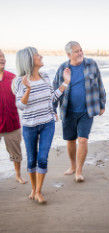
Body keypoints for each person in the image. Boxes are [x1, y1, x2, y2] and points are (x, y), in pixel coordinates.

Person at [13, 47, 70, 203]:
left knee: (43, 158)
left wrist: (65, 83)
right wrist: (28, 89)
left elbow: (52, 98)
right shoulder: (20, 81)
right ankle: (33, 188)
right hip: (29, 126)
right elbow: (21, 105)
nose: (41, 56)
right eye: (37, 55)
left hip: (47, 124)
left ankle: (38, 192)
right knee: (31, 159)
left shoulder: (45, 76)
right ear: (30, 60)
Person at [53, 41, 106, 182]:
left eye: (81, 50)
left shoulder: (91, 64)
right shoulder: (63, 68)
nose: (80, 53)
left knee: (82, 140)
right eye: (76, 51)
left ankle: (79, 171)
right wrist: (52, 109)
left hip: (87, 110)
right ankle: (72, 166)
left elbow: (100, 84)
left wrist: (102, 104)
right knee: (70, 140)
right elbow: (55, 89)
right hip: (68, 110)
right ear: (69, 54)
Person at [0, 49, 26, 184]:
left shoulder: (13, 78)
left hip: (12, 123)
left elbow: (23, 96)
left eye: (3, 56)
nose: (2, 59)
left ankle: (18, 175)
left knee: (16, 153)